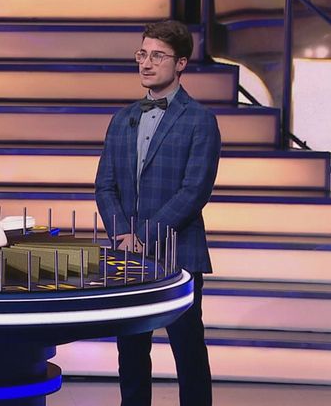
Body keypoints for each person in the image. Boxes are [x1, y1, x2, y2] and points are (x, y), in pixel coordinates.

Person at [94, 20, 221, 406]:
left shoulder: (200, 120)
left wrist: (144, 236)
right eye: (142, 54)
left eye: (158, 56)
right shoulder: (122, 119)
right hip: (127, 256)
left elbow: (194, 191)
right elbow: (104, 186)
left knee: (188, 351)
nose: (146, 63)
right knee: (131, 353)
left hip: (178, 253)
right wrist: (122, 235)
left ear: (181, 63)